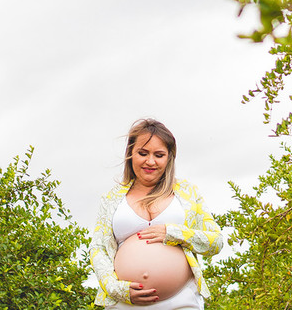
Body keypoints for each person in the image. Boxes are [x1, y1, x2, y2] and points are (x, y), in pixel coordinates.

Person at [90, 118, 224, 308]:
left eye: (159, 155)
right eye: (143, 153)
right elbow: (98, 249)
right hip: (124, 304)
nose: (150, 161)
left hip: (183, 301)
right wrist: (116, 288)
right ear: (130, 154)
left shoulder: (187, 192)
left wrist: (174, 233)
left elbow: (216, 242)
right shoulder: (111, 199)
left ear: (169, 157)